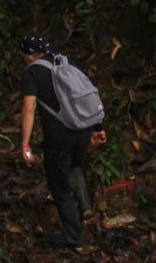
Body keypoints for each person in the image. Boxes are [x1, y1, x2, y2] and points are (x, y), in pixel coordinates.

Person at [18, 35, 106, 248]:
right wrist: (98, 128)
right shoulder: (66, 63)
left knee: (60, 186)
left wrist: (25, 144)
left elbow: (28, 108)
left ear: (29, 55)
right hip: (83, 131)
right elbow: (86, 96)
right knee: (75, 166)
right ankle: (85, 208)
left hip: (59, 138)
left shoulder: (32, 72)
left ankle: (75, 238)